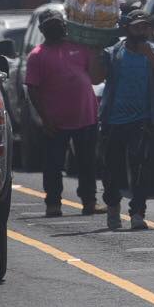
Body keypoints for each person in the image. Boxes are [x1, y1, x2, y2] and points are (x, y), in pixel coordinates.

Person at [90, 11, 154, 231]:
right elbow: (95, 78)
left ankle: (137, 213)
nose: (142, 31)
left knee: (140, 169)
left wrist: (150, 55)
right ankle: (112, 207)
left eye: (146, 27)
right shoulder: (114, 52)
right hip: (114, 121)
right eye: (137, 27)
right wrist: (95, 54)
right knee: (111, 170)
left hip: (143, 120)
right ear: (127, 29)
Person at [24, 13, 100, 216]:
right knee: (53, 165)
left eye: (58, 24)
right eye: (50, 25)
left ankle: (89, 201)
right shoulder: (37, 55)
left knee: (87, 163)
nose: (56, 28)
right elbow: (32, 89)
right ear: (42, 30)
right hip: (55, 121)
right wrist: (45, 119)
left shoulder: (79, 48)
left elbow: (93, 77)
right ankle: (53, 204)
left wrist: (95, 52)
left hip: (86, 116)